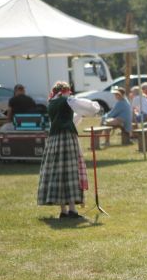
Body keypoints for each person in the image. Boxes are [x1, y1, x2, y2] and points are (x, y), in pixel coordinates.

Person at [37, 81, 101, 218]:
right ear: (64, 91)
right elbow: (89, 107)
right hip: (66, 138)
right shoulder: (66, 100)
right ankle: (72, 210)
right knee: (71, 172)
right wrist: (95, 106)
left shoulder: (51, 103)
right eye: (68, 92)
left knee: (59, 173)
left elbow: (68, 118)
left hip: (53, 140)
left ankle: (63, 210)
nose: (69, 94)